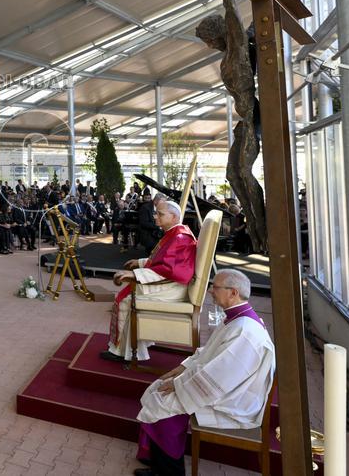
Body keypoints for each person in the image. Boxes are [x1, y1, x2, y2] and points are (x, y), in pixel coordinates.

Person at [134, 269, 275, 476]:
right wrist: (180, 369)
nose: (210, 291)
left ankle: (169, 472)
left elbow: (221, 376)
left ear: (233, 292)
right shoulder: (237, 319)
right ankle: (158, 464)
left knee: (162, 403)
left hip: (232, 399)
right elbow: (208, 353)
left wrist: (178, 384)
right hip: (220, 386)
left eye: (215, 287)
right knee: (157, 390)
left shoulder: (245, 331)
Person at [103, 200, 197, 362]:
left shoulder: (180, 237)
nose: (155, 217)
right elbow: (162, 260)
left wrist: (135, 275)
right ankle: (126, 348)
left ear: (174, 217)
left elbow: (169, 269)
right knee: (126, 296)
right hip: (170, 282)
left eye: (160, 214)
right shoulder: (176, 233)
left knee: (127, 299)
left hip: (173, 287)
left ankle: (130, 353)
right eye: (156, 213)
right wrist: (139, 263)